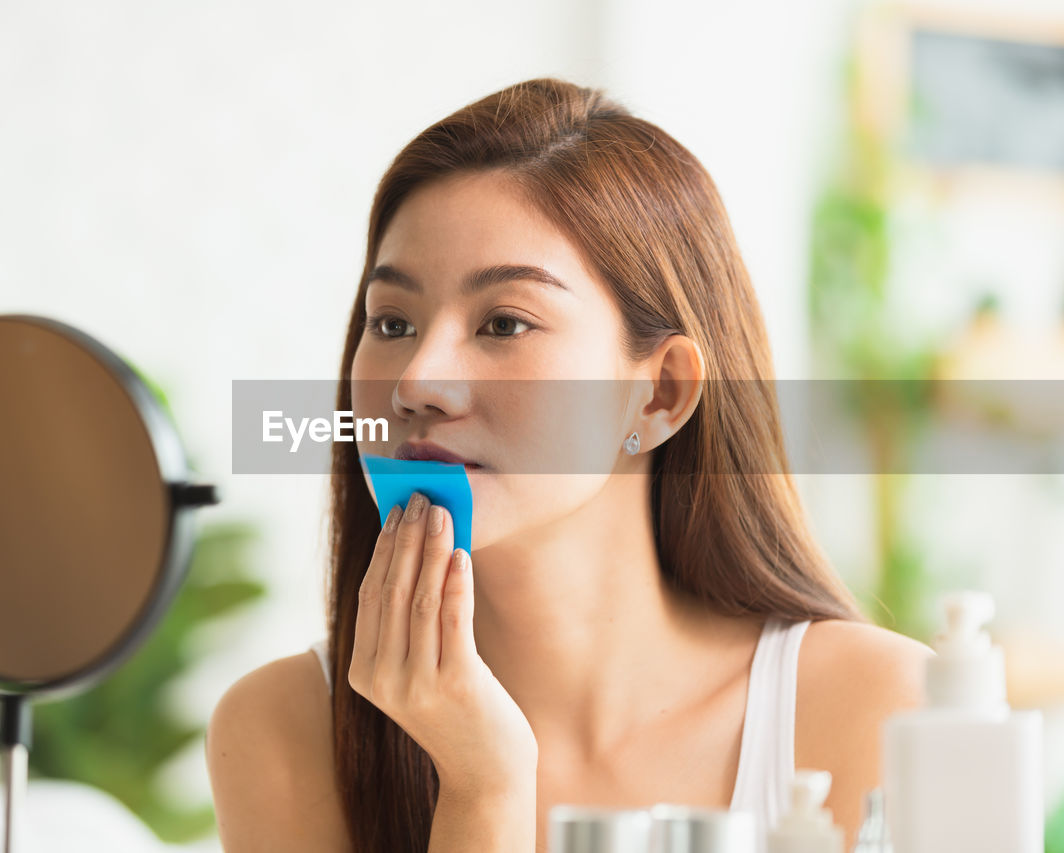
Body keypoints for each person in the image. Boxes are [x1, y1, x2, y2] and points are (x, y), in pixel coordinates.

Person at [206, 77, 934, 853]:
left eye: (504, 323)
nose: (418, 380)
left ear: (660, 393)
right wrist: (484, 788)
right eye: (392, 321)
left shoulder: (885, 709)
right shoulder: (283, 730)